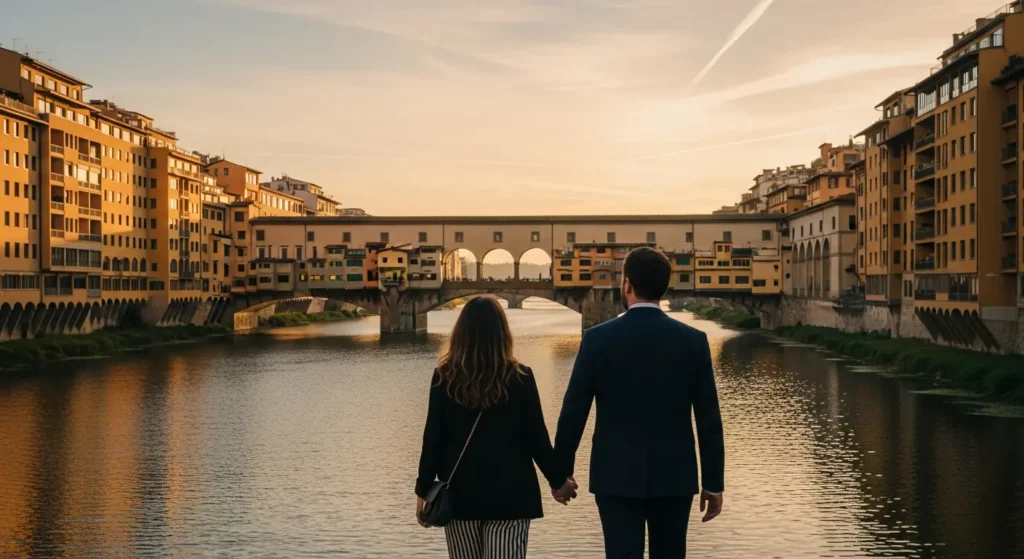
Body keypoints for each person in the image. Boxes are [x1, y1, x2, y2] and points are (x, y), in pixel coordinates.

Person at [552, 247, 725, 558]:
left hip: (614, 475)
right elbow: (709, 420)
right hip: (675, 476)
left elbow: (574, 412)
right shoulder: (693, 341)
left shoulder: (597, 340)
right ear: (665, 287)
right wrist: (713, 483)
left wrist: (560, 474)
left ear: (627, 284)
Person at [416, 296, 577, 559]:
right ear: (503, 333)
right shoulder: (520, 377)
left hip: (460, 496)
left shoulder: (444, 378)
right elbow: (537, 438)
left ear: (461, 333)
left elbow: (433, 438)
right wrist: (559, 481)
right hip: (511, 496)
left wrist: (423, 489)